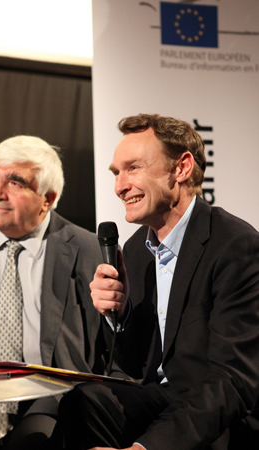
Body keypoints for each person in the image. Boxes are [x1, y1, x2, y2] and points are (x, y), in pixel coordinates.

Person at [45, 114, 259, 450]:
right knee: (84, 402)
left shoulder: (235, 245)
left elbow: (233, 381)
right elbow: (131, 366)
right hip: (161, 397)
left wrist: (145, 449)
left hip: (219, 415)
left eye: (133, 168)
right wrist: (120, 314)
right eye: (117, 173)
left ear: (182, 168)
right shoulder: (135, 249)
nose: (120, 186)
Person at [0, 135, 106, 450]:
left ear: (48, 198)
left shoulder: (88, 249)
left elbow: (111, 348)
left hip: (49, 401)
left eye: (15, 183)